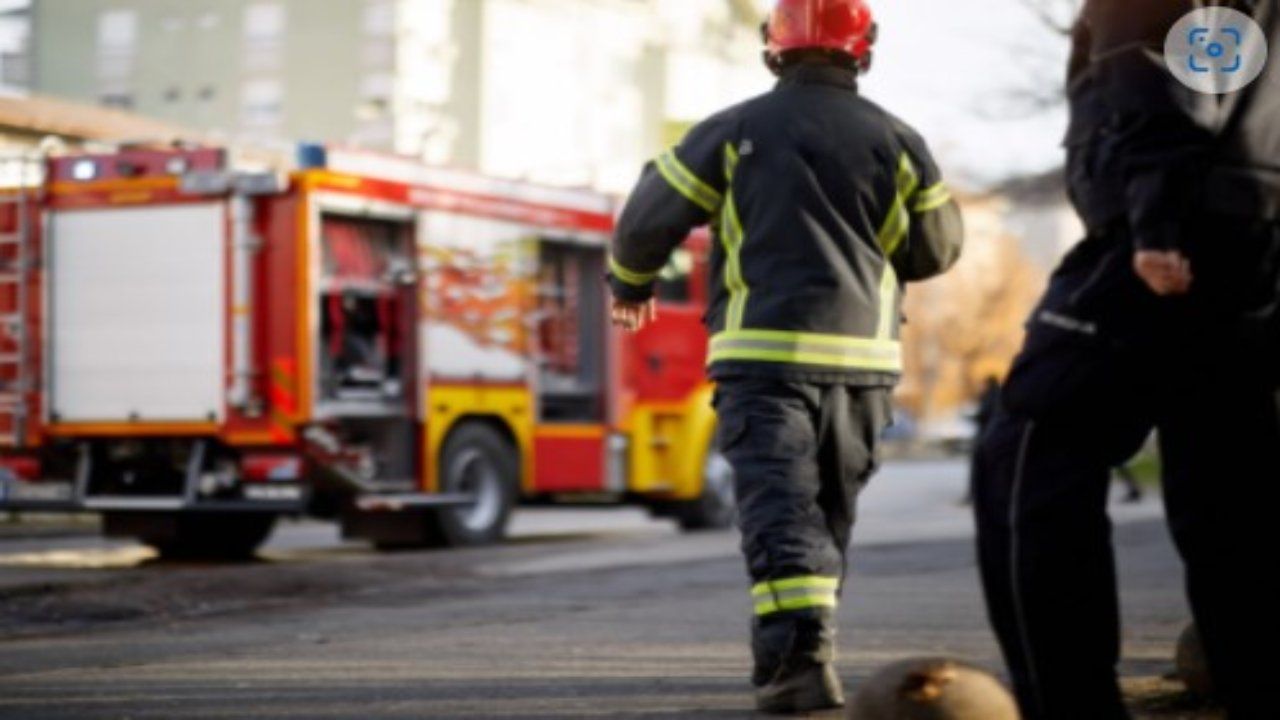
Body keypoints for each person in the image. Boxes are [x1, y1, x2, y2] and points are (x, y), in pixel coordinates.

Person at [607, 0, 964, 712]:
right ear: (863, 49)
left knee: (780, 513)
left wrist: (632, 280)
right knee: (824, 515)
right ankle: (800, 654)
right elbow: (935, 250)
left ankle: (796, 665)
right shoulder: (898, 140)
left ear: (773, 48)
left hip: (762, 360)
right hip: (863, 366)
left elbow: (648, 215)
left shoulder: (733, 131)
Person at [972, 1, 1280, 718]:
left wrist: (1156, 223)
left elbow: (1154, 76)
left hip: (1168, 234)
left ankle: (1068, 705)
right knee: (1229, 481)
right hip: (1254, 241)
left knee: (1029, 450)